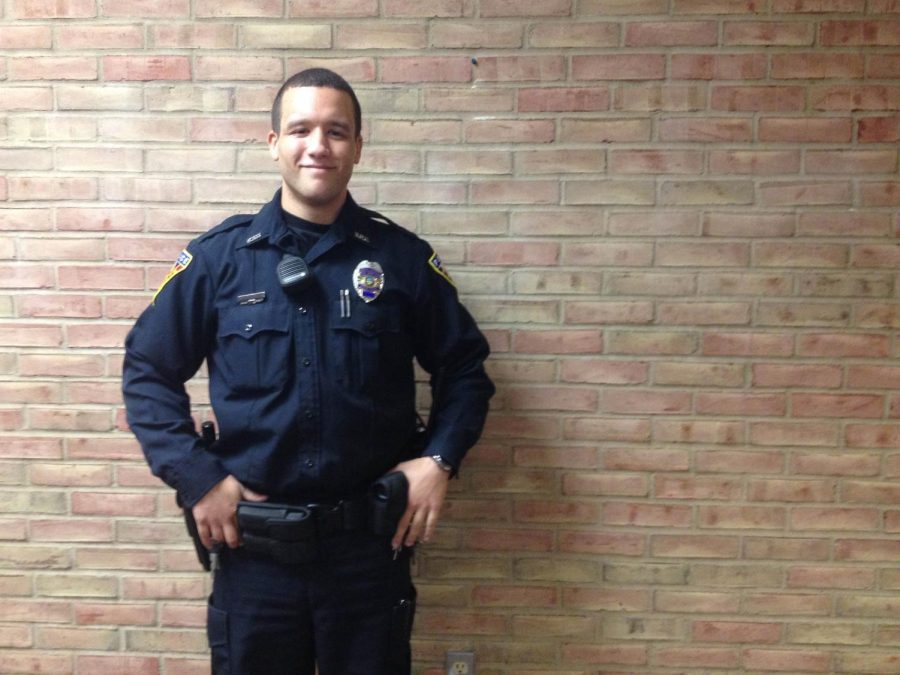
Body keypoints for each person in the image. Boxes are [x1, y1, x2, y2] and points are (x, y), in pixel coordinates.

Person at [122, 68, 494, 675]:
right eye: (300, 129)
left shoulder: (399, 259)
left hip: (370, 555)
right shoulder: (220, 261)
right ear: (274, 143)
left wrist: (439, 462)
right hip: (254, 559)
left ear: (358, 146)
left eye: (336, 131)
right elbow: (147, 370)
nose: (317, 145)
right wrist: (197, 477)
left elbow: (465, 369)